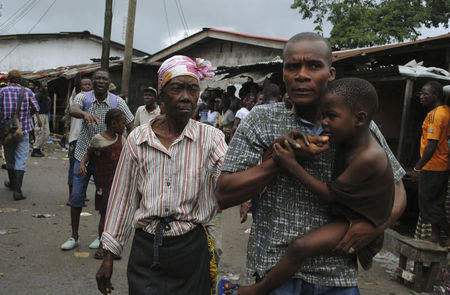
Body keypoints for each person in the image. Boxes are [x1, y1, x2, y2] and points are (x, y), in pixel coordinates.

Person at [215, 32, 406, 294]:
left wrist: (374, 226)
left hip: (336, 276)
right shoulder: (261, 120)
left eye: (314, 66)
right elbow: (224, 194)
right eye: (292, 66)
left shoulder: (358, 126)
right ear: (283, 73)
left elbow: (398, 192)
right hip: (272, 271)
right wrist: (280, 162)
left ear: (331, 73)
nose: (301, 75)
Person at [238, 78, 395, 294]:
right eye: (322, 116)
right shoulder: (349, 136)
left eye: (331, 116)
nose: (324, 123)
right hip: (353, 214)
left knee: (300, 247)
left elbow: (330, 194)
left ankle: (257, 290)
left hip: (361, 221)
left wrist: (292, 165)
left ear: (359, 119)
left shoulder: (368, 156)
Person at [96, 55, 226, 295]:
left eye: (192, 89)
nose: (186, 97)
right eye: (177, 88)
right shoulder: (138, 138)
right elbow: (122, 199)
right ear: (162, 93)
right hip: (147, 248)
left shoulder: (211, 138)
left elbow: (228, 179)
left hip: (191, 247)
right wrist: (109, 255)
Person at [60, 70, 134, 251]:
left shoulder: (118, 102)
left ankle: (101, 237)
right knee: (76, 196)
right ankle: (74, 236)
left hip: (107, 161)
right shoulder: (83, 97)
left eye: (104, 79)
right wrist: (84, 114)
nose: (100, 81)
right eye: (97, 78)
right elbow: (73, 110)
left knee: (105, 199)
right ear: (92, 82)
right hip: (83, 154)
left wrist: (131, 146)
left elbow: (131, 124)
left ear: (109, 83)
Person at [79, 109, 126, 259]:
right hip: (104, 185)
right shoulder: (98, 139)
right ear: (113, 123)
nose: (124, 126)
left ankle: (111, 246)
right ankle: (102, 246)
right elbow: (88, 153)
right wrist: (82, 164)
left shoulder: (122, 139)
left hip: (118, 184)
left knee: (116, 217)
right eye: (122, 123)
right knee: (105, 216)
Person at [414, 81, 450, 246]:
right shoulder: (445, 111)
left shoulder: (437, 115)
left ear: (435, 96)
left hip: (433, 166)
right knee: (436, 203)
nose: (421, 97)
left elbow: (432, 145)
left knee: (428, 204)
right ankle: (436, 236)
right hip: (440, 165)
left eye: (424, 94)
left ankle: (446, 233)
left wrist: (418, 166)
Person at [0, 70, 40, 201]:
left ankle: (12, 183)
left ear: (8, 79)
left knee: (9, 157)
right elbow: (36, 108)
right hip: (23, 130)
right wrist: (25, 114)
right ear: (20, 79)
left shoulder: (2, 91)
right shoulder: (27, 91)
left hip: (6, 131)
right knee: (21, 159)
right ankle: (17, 190)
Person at [66, 77, 92, 206]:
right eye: (84, 84)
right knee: (74, 167)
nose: (87, 86)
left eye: (89, 84)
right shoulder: (78, 97)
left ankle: (80, 193)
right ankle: (72, 195)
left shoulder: (92, 99)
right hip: (76, 137)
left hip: (88, 137)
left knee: (85, 167)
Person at [31, 85, 51, 157]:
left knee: (46, 133)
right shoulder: (37, 95)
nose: (46, 87)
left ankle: (38, 149)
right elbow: (35, 107)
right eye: (44, 86)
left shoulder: (45, 96)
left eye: (46, 86)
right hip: (39, 115)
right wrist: (38, 118)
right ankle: (35, 150)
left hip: (45, 115)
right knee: (39, 132)